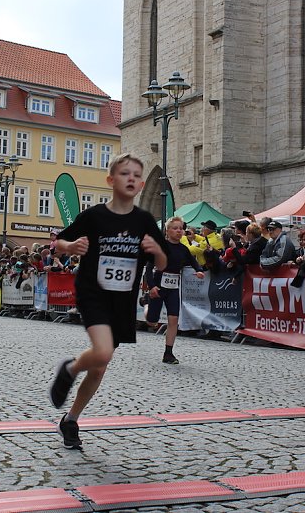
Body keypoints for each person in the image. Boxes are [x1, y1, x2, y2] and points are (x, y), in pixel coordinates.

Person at [49, 154, 167, 451]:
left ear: (141, 184)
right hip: (93, 291)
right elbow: (59, 242)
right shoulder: (94, 216)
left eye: (136, 175)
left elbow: (163, 263)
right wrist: (71, 246)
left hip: (122, 299)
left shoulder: (144, 221)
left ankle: (71, 420)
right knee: (102, 353)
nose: (131, 178)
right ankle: (70, 369)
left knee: (100, 366)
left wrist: (157, 251)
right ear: (110, 180)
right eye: (124, 173)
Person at [145, 216, 205, 364]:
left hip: (173, 288)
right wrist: (152, 286)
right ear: (168, 231)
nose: (179, 231)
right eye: (175, 228)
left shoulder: (184, 249)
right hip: (158, 286)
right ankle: (146, 303)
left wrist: (199, 270)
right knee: (152, 321)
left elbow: (193, 262)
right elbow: (148, 268)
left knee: (173, 320)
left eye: (181, 228)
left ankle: (168, 353)